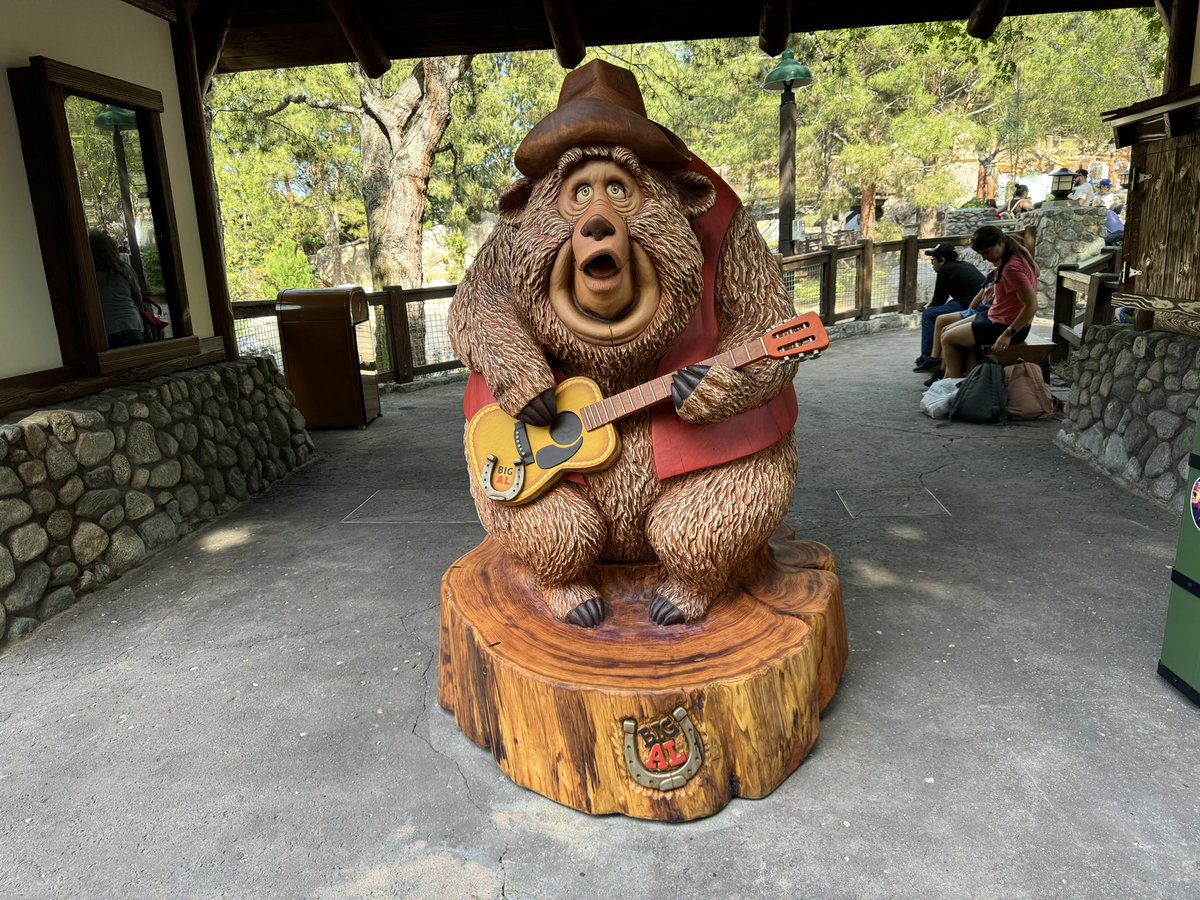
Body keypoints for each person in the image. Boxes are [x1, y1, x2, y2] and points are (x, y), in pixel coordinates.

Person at [940, 225, 1039, 379]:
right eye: (981, 254)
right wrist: (998, 285)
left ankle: (955, 384)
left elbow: (1031, 305)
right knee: (946, 330)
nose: (985, 258)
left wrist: (1008, 334)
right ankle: (950, 380)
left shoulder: (1011, 267)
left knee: (948, 339)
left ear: (1000, 242)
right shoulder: (1017, 250)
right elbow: (1035, 272)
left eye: (986, 252)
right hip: (995, 316)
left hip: (1007, 326)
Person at [913, 244, 987, 371]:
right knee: (938, 309)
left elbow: (939, 299)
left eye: (933, 260)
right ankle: (932, 356)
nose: (932, 264)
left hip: (969, 306)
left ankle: (929, 357)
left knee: (929, 314)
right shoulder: (963, 265)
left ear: (942, 260)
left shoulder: (945, 270)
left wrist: (927, 308)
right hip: (975, 304)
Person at [921, 272, 996, 385]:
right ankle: (935, 360)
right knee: (942, 321)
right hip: (977, 312)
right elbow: (980, 294)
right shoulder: (994, 273)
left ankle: (946, 377)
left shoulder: (1010, 273)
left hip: (987, 316)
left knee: (948, 334)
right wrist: (970, 311)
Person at [88, 230, 145, 348]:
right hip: (132, 325)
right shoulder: (124, 269)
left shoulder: (89, 275)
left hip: (106, 329)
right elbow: (138, 298)